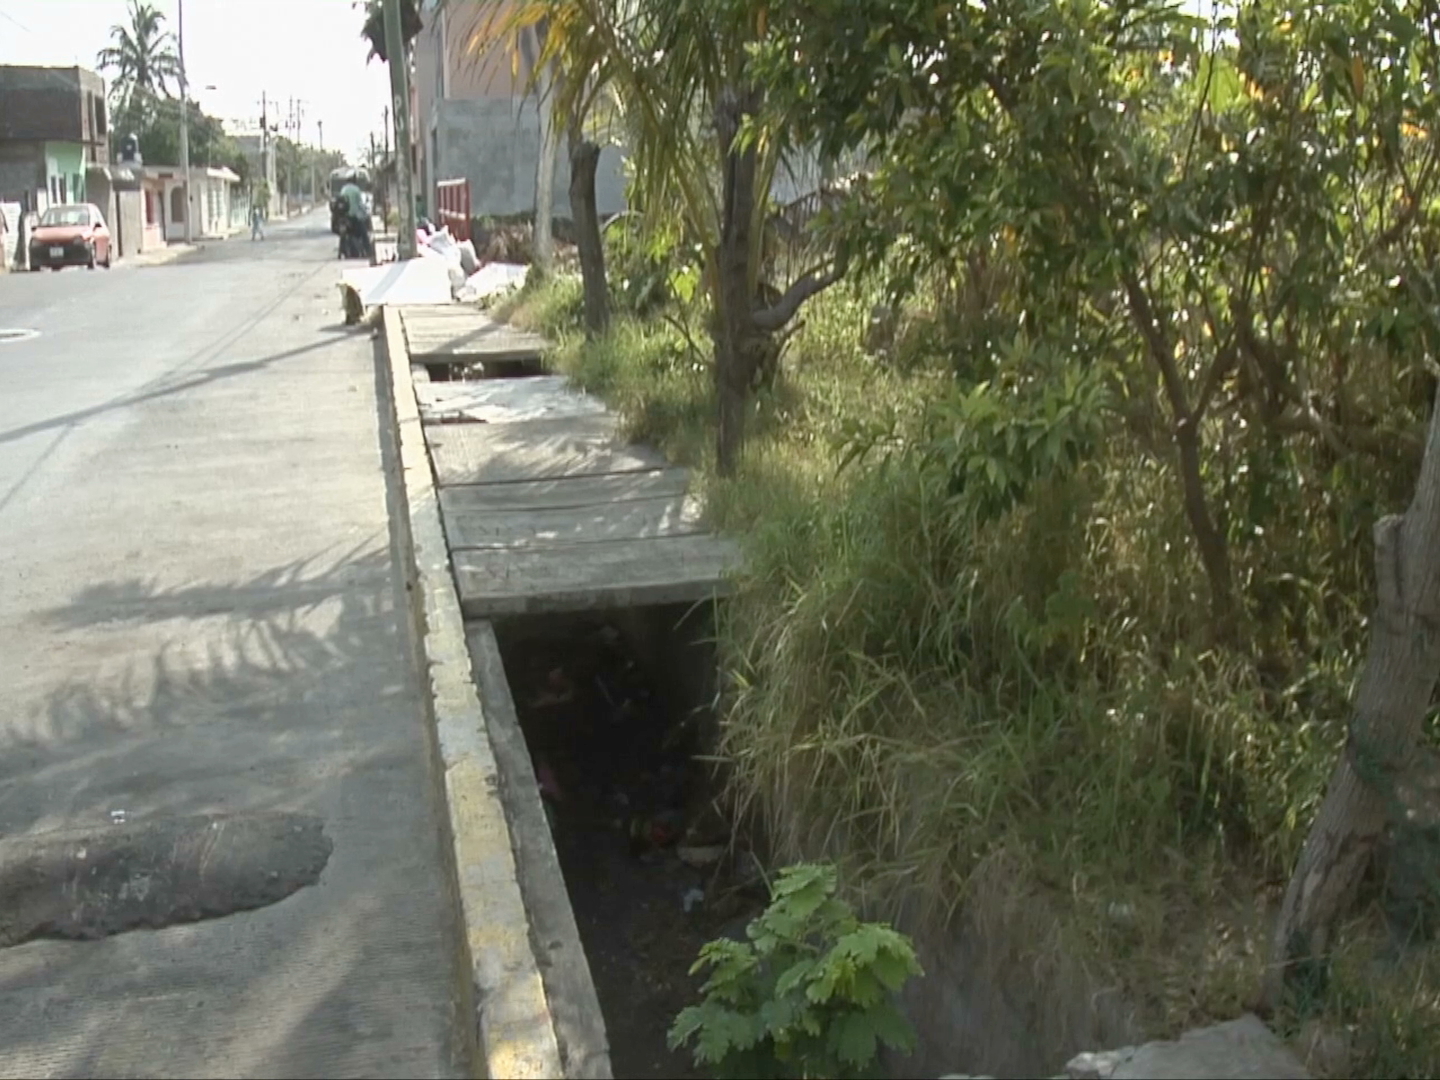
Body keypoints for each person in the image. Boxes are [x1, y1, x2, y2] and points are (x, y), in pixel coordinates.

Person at [339, 180, 371, 257]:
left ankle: (341, 252)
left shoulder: (343, 189)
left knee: (342, 235)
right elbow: (360, 203)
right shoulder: (356, 189)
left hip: (345, 216)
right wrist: (364, 212)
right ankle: (368, 251)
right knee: (364, 234)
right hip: (355, 216)